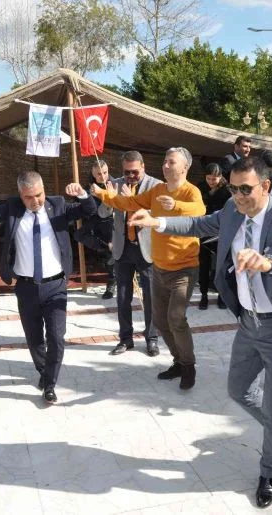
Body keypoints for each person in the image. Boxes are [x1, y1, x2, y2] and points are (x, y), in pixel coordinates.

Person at [127, 156, 272, 509]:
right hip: (249, 324)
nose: (238, 195)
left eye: (246, 189)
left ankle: (270, 471)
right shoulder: (232, 210)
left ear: (265, 186)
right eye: (234, 188)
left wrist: (270, 262)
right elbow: (198, 224)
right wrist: (157, 221)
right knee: (237, 391)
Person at [92, 147, 205, 389]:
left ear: (184, 167)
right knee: (161, 321)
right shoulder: (158, 189)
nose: (165, 165)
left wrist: (175, 205)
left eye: (171, 162)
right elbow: (131, 201)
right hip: (159, 267)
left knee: (176, 317)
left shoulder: (190, 191)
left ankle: (188, 366)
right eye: (164, 161)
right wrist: (105, 195)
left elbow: (200, 212)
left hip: (184, 268)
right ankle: (178, 361)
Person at [0, 171, 94, 403]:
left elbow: (90, 210)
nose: (35, 201)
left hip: (55, 285)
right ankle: (44, 372)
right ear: (20, 195)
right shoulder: (12, 208)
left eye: (39, 194)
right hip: (25, 287)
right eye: (29, 197)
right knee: (34, 339)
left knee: (56, 337)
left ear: (44, 189)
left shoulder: (58, 205)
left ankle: (50, 383)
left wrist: (84, 195)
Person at [97, 151, 162, 356]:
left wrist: (131, 200)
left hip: (147, 248)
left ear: (143, 167)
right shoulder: (114, 184)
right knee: (123, 297)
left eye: (135, 172)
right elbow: (102, 213)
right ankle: (125, 339)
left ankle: (152, 338)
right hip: (122, 248)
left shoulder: (156, 186)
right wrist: (110, 198)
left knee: (151, 296)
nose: (131, 176)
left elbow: (160, 214)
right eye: (127, 172)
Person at [75, 161, 116, 300]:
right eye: (99, 174)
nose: (102, 176)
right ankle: (105, 246)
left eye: (105, 172)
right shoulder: (88, 187)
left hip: (111, 220)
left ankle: (112, 282)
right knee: (79, 234)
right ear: (93, 173)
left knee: (110, 255)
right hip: (94, 219)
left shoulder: (115, 184)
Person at [196, 163, 230, 310]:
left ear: (221, 177)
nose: (211, 182)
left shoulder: (227, 189)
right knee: (203, 264)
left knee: (221, 265)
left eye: (214, 179)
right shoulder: (200, 187)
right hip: (203, 230)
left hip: (221, 231)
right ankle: (204, 295)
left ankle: (222, 296)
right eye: (209, 178)